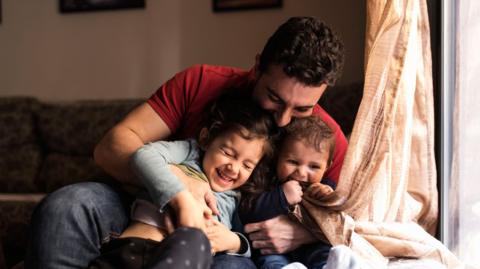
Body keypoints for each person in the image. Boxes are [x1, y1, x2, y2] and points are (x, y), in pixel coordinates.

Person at [26, 16, 347, 268]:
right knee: (66, 205)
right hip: (145, 207)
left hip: (226, 237)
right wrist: (181, 184)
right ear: (257, 66)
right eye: (274, 98)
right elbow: (111, 149)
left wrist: (302, 233)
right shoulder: (201, 82)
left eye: (303, 108)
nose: (283, 120)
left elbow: (358, 217)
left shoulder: (325, 139)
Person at [88, 91, 276, 269]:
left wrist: (234, 242)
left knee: (195, 239)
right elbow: (144, 156)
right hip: (133, 246)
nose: (234, 168)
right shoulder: (190, 152)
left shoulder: (236, 196)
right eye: (227, 153)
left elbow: (247, 242)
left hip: (188, 254)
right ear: (205, 139)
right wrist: (183, 201)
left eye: (247, 166)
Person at [240, 116, 337, 269]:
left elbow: (340, 221)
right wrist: (280, 197)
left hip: (313, 248)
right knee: (271, 262)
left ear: (327, 167)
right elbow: (247, 212)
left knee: (328, 254)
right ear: (278, 157)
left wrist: (329, 200)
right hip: (273, 252)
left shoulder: (325, 188)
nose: (302, 173)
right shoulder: (266, 183)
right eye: (293, 162)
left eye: (314, 167)